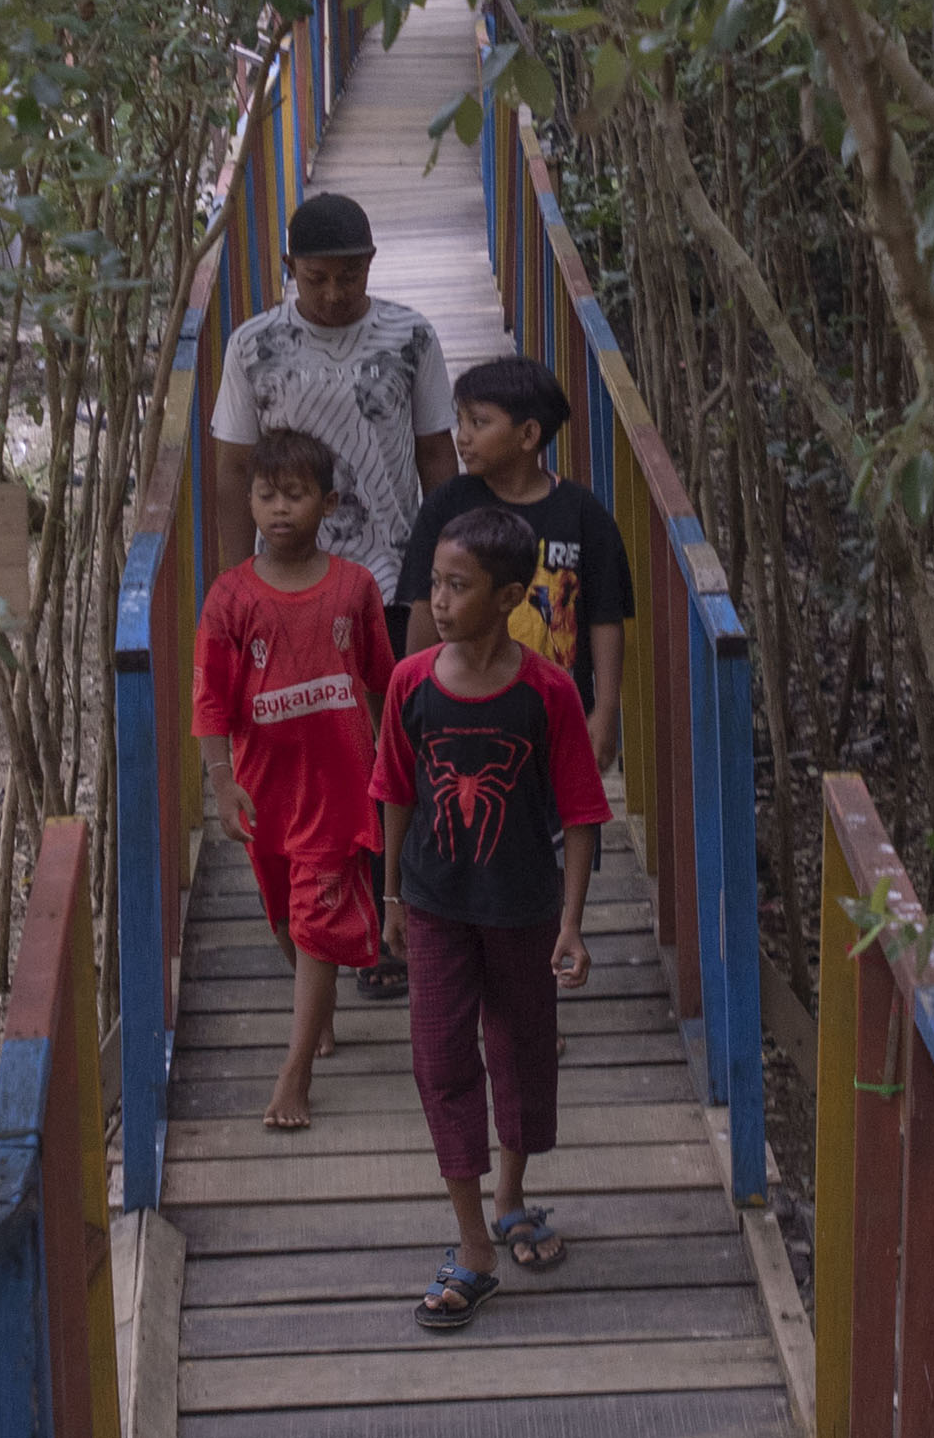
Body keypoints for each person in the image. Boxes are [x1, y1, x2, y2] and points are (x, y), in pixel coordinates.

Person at [210, 188, 455, 997]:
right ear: (290, 272)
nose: (334, 294)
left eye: (349, 277)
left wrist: (448, 571)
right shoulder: (254, 347)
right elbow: (232, 470)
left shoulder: (411, 337)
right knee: (321, 750)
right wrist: (228, 582)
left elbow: (435, 459)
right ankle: (331, 913)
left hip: (389, 571)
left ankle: (391, 922)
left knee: (390, 746)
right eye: (317, 278)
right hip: (288, 584)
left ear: (371, 268)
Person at [368, 505, 606, 1332]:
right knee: (439, 1060)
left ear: (509, 596)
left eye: (457, 586)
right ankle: (473, 1245)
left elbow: (581, 812)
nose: (438, 599)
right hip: (436, 904)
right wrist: (392, 895)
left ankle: (510, 1197)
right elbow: (395, 789)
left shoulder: (546, 693)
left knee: (520, 1049)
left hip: (524, 907)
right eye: (434, 582)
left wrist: (572, 925)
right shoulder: (412, 684)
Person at [193, 425, 395, 1133]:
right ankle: (321, 1010)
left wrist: (389, 770)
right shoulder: (229, 598)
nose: (280, 509)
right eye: (266, 495)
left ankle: (295, 1070)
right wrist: (222, 780)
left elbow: (379, 681)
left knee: (314, 916)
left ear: (329, 502)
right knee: (283, 917)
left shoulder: (355, 588)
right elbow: (212, 700)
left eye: (297, 495)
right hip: (263, 789)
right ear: (248, 501)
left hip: (338, 789)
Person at [392, 356, 635, 772]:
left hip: (554, 716)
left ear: (528, 435)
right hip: (460, 711)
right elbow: (422, 600)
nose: (462, 438)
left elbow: (605, 615)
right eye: (460, 422)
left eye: (479, 423)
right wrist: (413, 697)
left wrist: (607, 711)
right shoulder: (448, 505)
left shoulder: (581, 513)